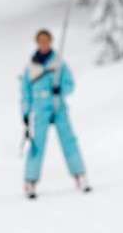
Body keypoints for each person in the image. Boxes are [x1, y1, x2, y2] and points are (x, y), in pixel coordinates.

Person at [18, 29, 88, 198]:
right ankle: (30, 180)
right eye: (40, 40)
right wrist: (26, 112)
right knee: (37, 143)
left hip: (57, 104)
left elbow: (70, 84)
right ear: (37, 42)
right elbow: (25, 91)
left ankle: (79, 174)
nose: (43, 43)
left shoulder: (58, 63)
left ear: (50, 42)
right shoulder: (31, 66)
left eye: (46, 40)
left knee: (68, 139)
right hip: (39, 106)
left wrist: (60, 90)